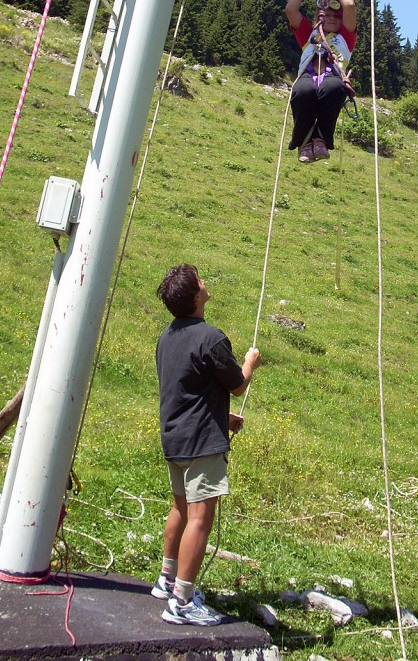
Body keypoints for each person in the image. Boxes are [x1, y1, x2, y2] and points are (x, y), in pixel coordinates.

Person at [152, 263, 261, 626]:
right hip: (201, 443)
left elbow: (187, 387)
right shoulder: (211, 338)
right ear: (196, 296)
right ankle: (182, 600)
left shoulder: (166, 337)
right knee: (200, 519)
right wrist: (250, 362)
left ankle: (167, 580)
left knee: (181, 509)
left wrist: (221, 417)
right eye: (200, 280)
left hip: (176, 437)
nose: (204, 281)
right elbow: (236, 385)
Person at [285, 0, 357, 163]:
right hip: (308, 75)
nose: (333, 18)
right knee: (303, 92)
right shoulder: (310, 33)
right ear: (320, 17)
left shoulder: (345, 38)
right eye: (329, 15)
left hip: (332, 75)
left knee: (333, 87)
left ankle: (322, 139)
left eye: (337, 16)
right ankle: (304, 142)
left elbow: (349, 6)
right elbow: (291, 9)